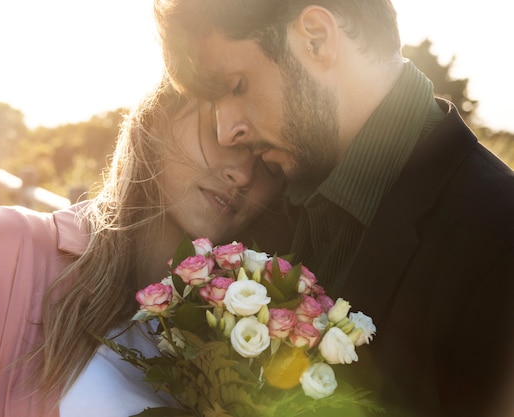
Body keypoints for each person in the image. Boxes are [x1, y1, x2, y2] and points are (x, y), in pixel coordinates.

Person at [153, 1, 514, 416]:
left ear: (316, 39)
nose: (226, 132)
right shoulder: (253, 214)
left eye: (235, 86)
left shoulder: (500, 243)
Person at [0, 79, 292, 417]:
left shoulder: (253, 339)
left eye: (270, 165)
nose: (241, 174)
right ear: (161, 109)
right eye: (225, 133)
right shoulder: (5, 253)